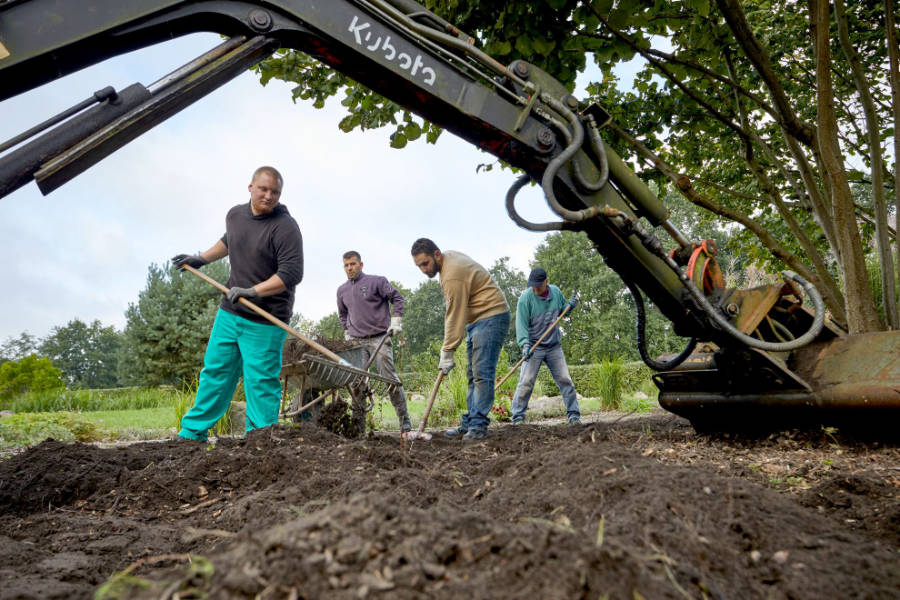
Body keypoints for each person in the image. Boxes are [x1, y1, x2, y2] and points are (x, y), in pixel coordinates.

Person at [172, 166, 303, 442]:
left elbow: (291, 274)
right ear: (250, 187)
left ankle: (259, 440)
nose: (268, 196)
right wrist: (201, 259)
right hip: (230, 313)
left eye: (275, 192)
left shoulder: (285, 227)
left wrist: (254, 291)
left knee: (261, 382)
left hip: (265, 318)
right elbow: (229, 241)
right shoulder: (235, 214)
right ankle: (192, 433)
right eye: (263, 189)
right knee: (215, 372)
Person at [411, 238, 510, 441]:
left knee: (482, 373)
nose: (423, 269)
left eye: (425, 263)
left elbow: (454, 315)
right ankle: (470, 423)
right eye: (419, 266)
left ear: (436, 254)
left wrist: (447, 350)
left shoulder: (451, 275)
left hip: (490, 315)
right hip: (478, 319)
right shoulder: (447, 261)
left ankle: (478, 427)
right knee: (473, 374)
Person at [337, 250, 412, 436]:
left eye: (353, 264)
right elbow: (343, 313)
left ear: (361, 265)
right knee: (357, 383)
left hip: (379, 338)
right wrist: (346, 330)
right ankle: (358, 429)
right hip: (356, 342)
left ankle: (405, 426)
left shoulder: (377, 282)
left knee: (390, 380)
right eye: (346, 265)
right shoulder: (342, 290)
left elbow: (397, 298)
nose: (349, 268)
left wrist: (396, 321)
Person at [511, 268, 581, 425]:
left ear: (546, 282)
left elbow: (563, 312)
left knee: (565, 379)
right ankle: (518, 418)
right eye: (532, 286)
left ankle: (574, 415)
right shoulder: (525, 299)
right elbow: (521, 325)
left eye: (538, 286)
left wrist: (569, 306)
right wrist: (525, 345)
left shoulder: (555, 292)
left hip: (553, 346)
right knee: (526, 381)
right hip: (534, 347)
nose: (535, 289)